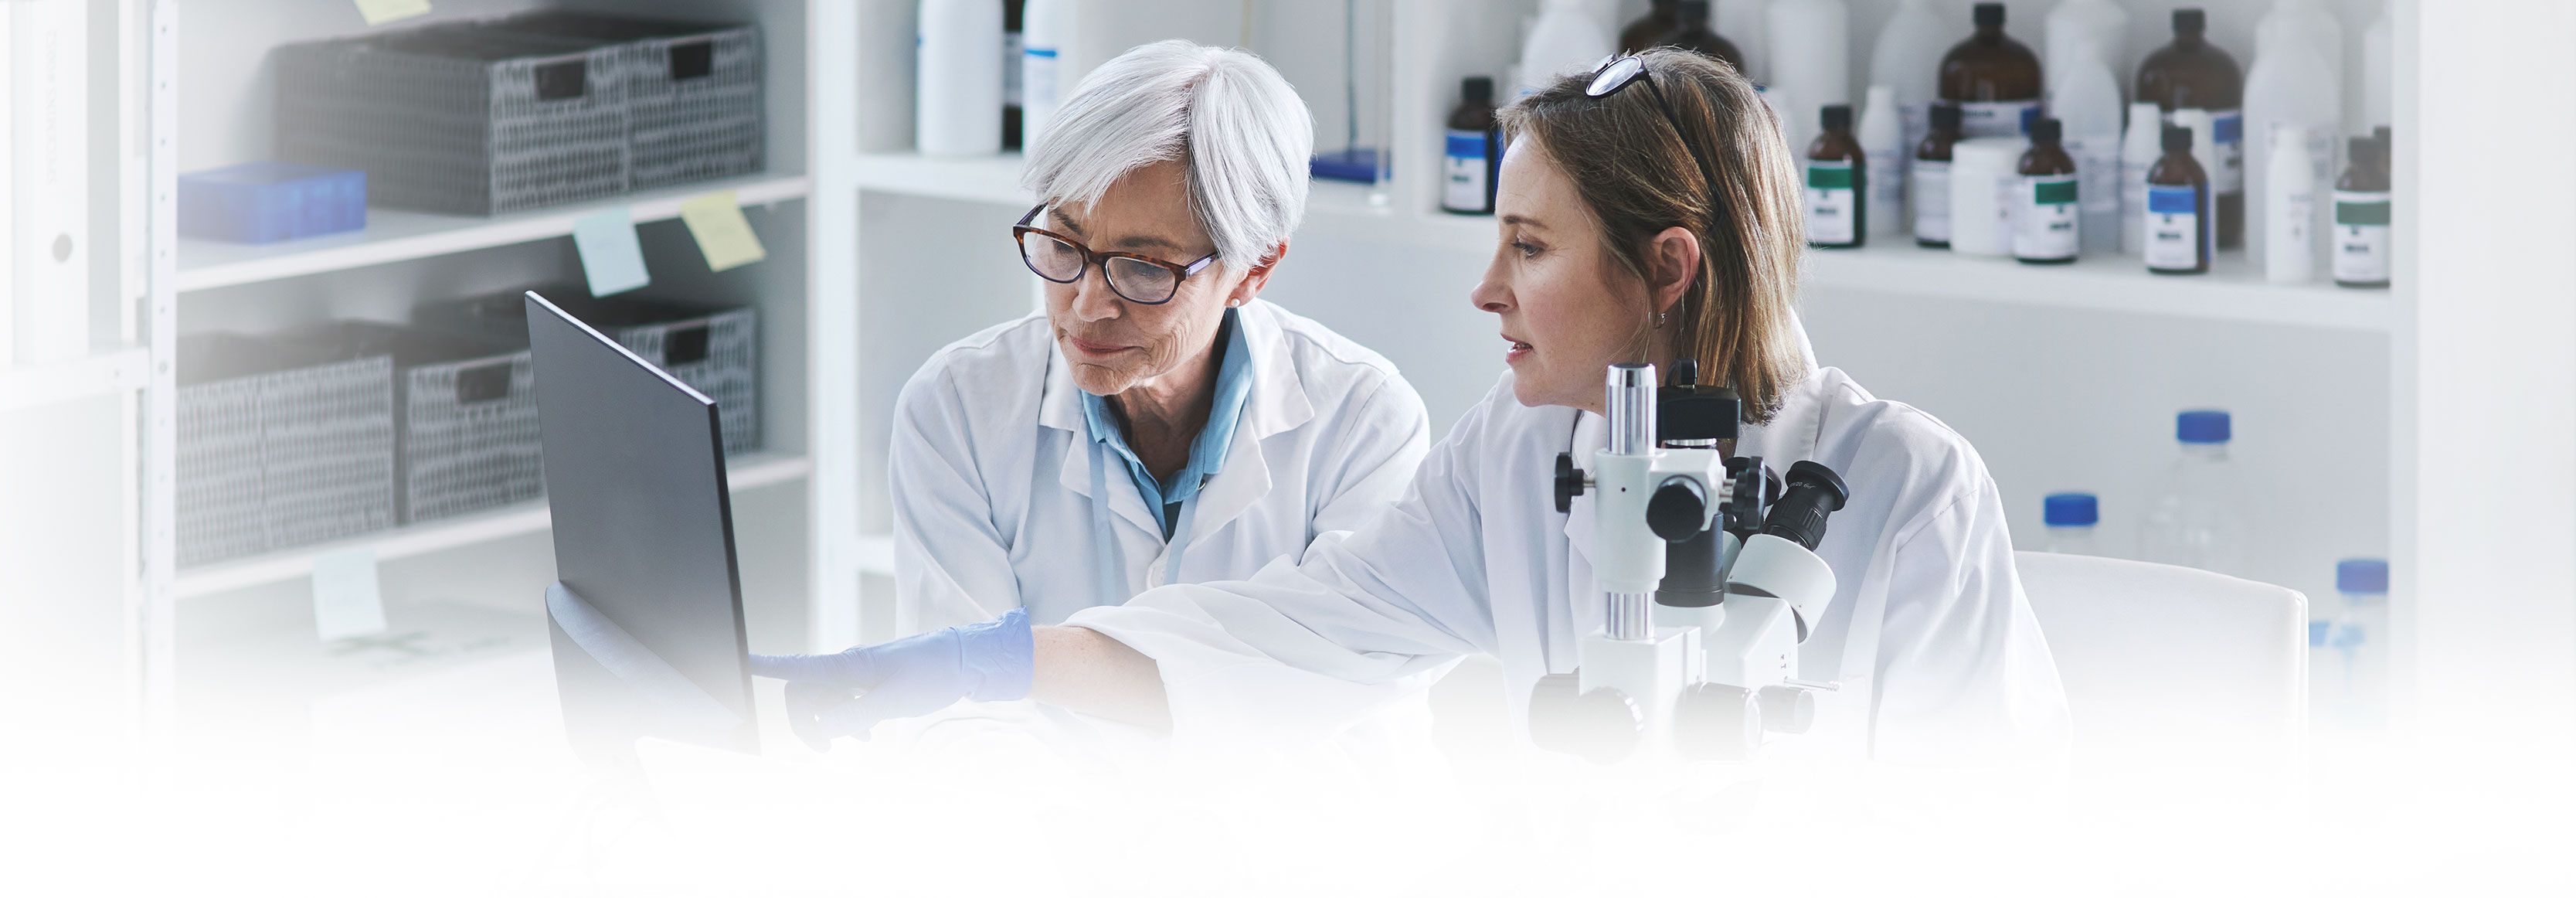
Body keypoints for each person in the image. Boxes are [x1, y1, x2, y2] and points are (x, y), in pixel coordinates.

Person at [759, 49, 2067, 763]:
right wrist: (982, 662)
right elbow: (1280, 637)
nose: (1488, 291)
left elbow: (1999, 834)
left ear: (1665, 268)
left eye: (1531, 250)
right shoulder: (1518, 453)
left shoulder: (1905, 488)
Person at [773, 41, 1432, 736]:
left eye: (1145, 269)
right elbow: (968, 716)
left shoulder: (1364, 422)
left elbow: (1327, 688)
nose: (1087, 305)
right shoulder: (959, 406)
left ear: (1253, 271)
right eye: (1064, 244)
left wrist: (1020, 661)